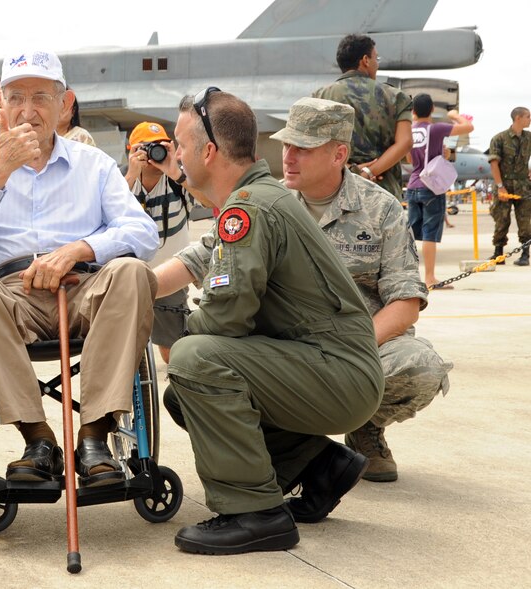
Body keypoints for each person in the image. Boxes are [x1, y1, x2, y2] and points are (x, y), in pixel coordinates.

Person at [153, 88, 383, 555]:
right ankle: (319, 466)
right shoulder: (257, 198)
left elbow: (225, 317)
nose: (174, 153)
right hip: (332, 366)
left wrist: (174, 337)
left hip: (337, 372)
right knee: (185, 394)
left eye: (180, 142)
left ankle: (255, 513)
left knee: (194, 359)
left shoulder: (249, 209)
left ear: (209, 151)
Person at [0, 49, 158, 488]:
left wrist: (79, 248)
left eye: (41, 97)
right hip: (9, 294)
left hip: (84, 288)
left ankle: (94, 436)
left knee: (133, 274)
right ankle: (37, 438)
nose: (27, 110)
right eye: (15, 97)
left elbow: (143, 234)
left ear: (65, 104)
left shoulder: (93, 165)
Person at [273, 97, 453, 483]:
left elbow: (405, 304)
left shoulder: (381, 209)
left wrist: (350, 349)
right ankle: (288, 440)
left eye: (302, 148)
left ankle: (365, 427)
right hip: (287, 344)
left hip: (358, 343)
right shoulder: (270, 204)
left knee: (421, 366)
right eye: (287, 144)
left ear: (339, 154)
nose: (288, 156)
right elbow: (203, 261)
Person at [123, 122, 192, 363]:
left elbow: (207, 198)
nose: (154, 153)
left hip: (171, 278)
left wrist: (175, 169)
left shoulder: (179, 180)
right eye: (146, 148)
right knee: (127, 353)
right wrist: (132, 174)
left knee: (170, 349)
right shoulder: (121, 183)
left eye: (160, 146)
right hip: (131, 279)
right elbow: (105, 215)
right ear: (131, 150)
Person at [313, 34, 412, 198]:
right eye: (376, 58)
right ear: (365, 60)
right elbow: (405, 142)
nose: (377, 63)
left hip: (336, 188)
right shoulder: (395, 96)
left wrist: (351, 170)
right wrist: (368, 171)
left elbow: (314, 143)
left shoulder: (320, 96)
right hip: (382, 192)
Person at [406, 94, 473, 286]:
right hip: (431, 187)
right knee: (429, 234)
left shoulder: (410, 130)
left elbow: (410, 160)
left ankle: (409, 276)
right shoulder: (435, 129)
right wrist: (454, 114)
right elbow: (468, 127)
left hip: (412, 185)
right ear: (432, 109)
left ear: (413, 112)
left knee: (410, 234)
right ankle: (429, 277)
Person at [488, 106, 531, 266]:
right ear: (518, 118)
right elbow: (494, 164)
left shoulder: (529, 138)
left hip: (523, 186)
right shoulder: (499, 138)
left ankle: (525, 254)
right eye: (528, 116)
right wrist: (500, 186)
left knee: (525, 221)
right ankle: (498, 254)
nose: (530, 119)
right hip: (504, 185)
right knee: (502, 220)